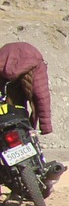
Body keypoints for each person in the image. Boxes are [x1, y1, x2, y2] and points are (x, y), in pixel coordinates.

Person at [0, 41, 64, 187]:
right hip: (19, 115)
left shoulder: (2, 61)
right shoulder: (35, 61)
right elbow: (42, 96)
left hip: (5, 115)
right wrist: (45, 126)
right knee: (30, 139)